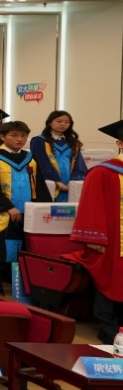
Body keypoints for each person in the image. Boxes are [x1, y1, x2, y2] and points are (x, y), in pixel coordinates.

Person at [0, 120, 52, 294]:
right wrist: (7, 207)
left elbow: (39, 187)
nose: (20, 139)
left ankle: (20, 289)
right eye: (14, 135)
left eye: (23, 135)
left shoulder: (30, 159)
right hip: (0, 215)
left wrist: (40, 209)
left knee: (23, 250)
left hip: (27, 215)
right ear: (2, 137)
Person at [70, 120, 123, 342]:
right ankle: (108, 330)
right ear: (119, 143)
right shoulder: (103, 172)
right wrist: (95, 238)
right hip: (113, 241)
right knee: (109, 282)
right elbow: (91, 206)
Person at [30, 111, 87, 204]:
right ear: (50, 122)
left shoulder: (73, 142)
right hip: (48, 181)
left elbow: (79, 164)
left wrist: (73, 182)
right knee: (49, 209)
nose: (63, 124)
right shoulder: (39, 141)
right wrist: (56, 180)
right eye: (59, 121)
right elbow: (41, 162)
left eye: (67, 122)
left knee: (67, 210)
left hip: (69, 182)